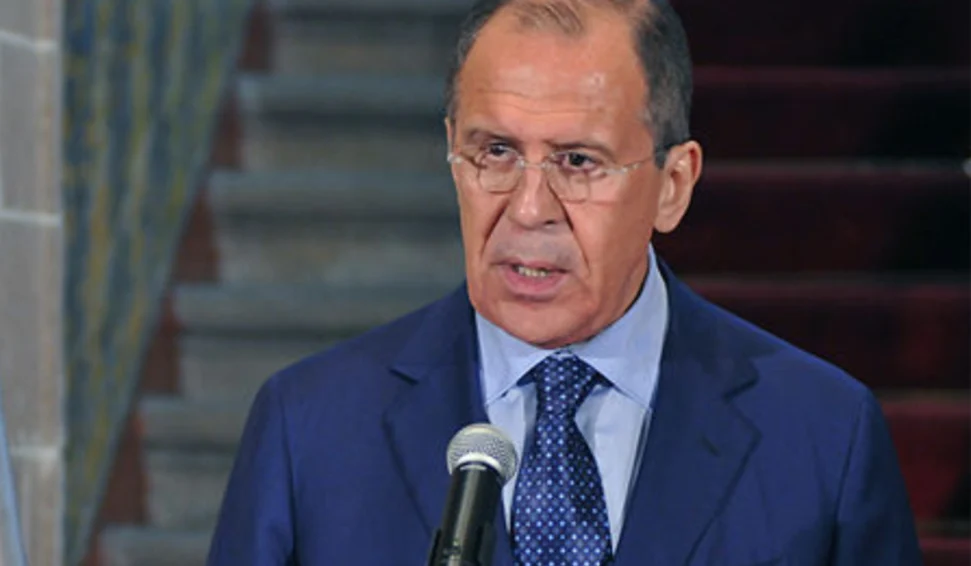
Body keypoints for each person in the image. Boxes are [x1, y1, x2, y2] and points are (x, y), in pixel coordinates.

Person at [207, 0, 921, 564]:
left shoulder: (823, 436)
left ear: (673, 185)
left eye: (577, 162)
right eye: (495, 151)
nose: (527, 209)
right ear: (452, 153)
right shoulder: (309, 428)